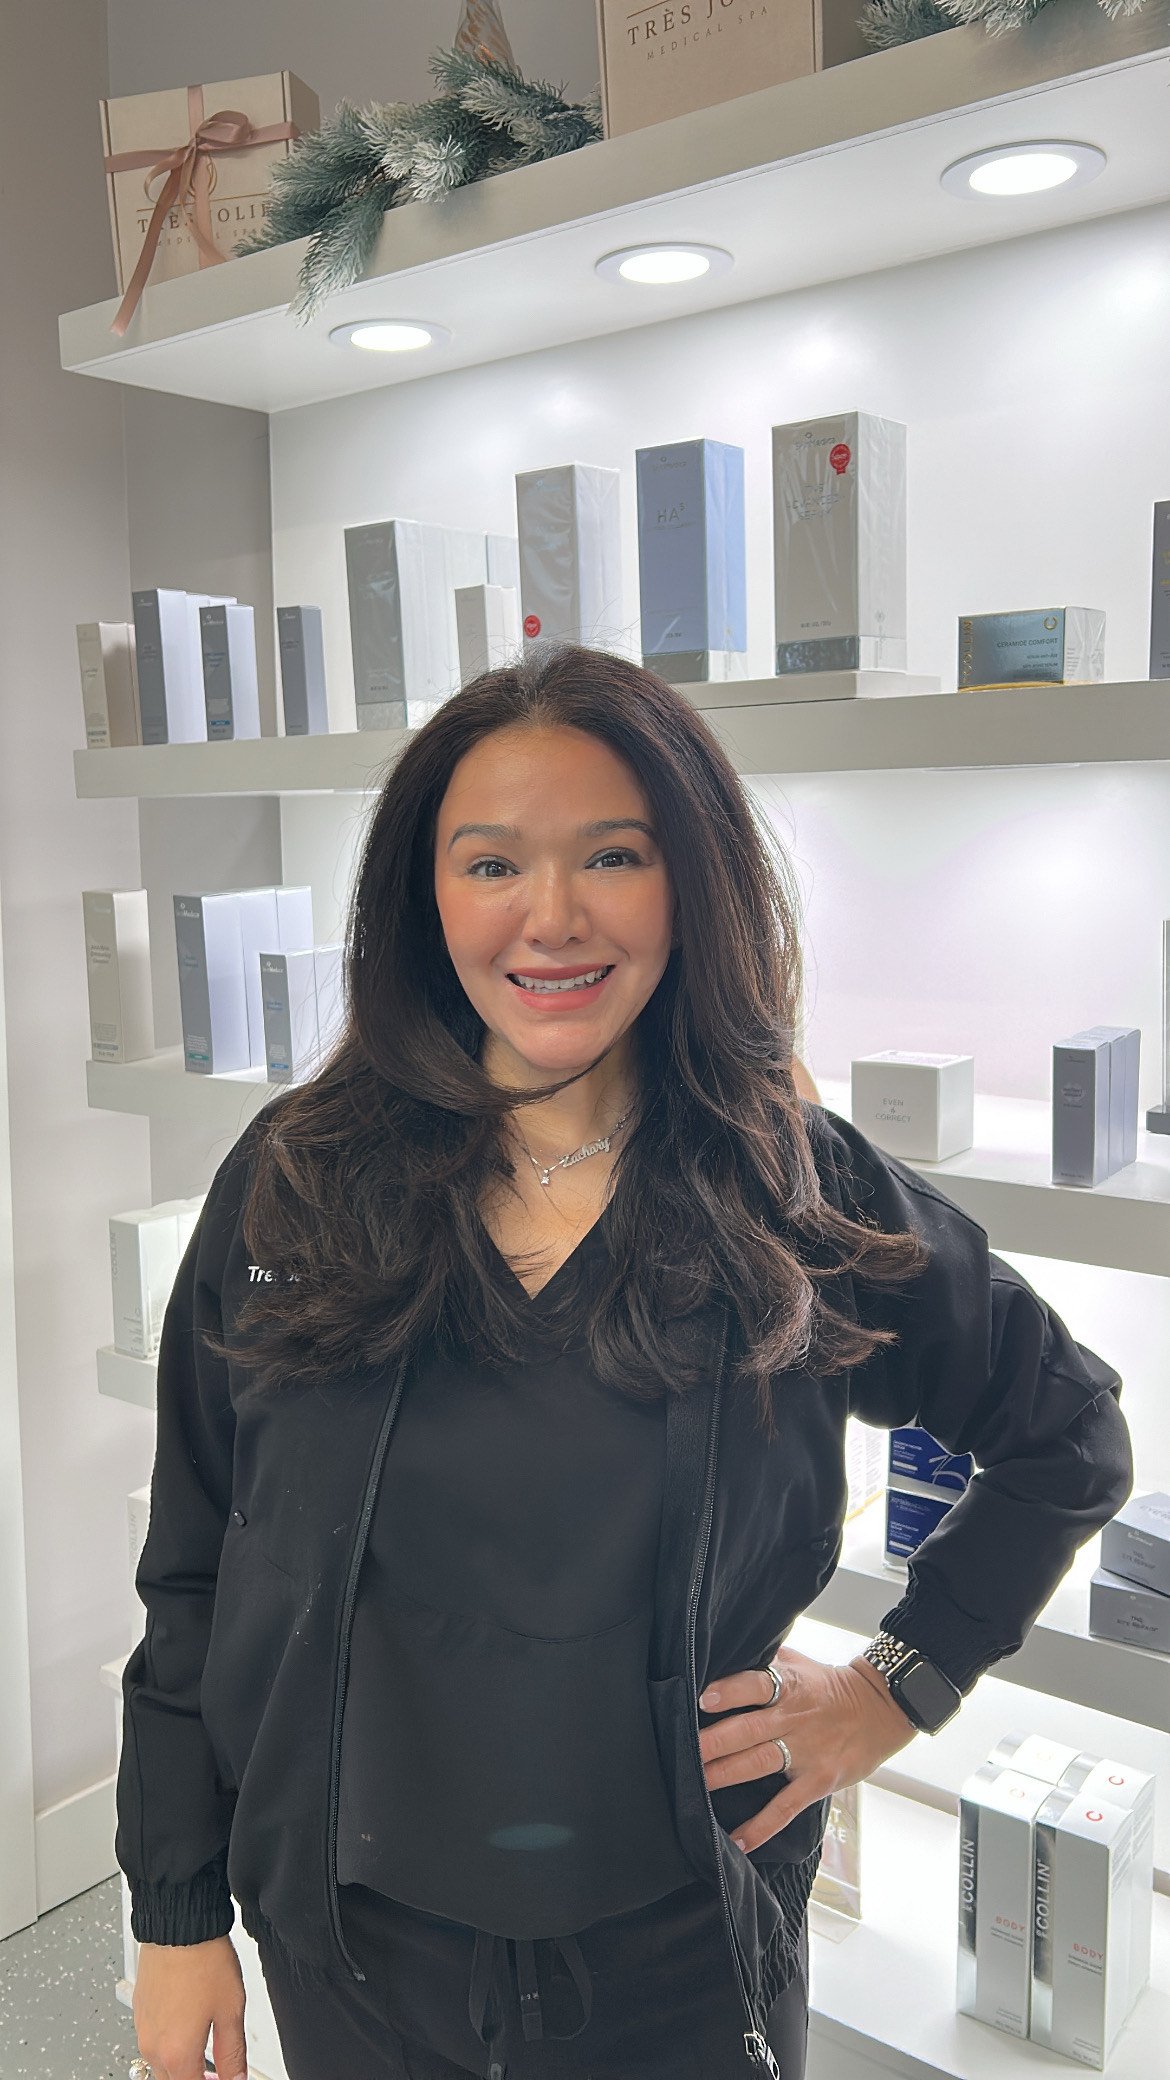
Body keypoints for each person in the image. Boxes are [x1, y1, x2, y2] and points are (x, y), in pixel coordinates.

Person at [120, 641, 1131, 2080]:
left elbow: (1068, 1436)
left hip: (682, 1969)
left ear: (691, 882)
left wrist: (892, 1688)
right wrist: (174, 1914)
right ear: (424, 897)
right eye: (491, 864)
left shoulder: (793, 1192)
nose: (551, 918)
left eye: (613, 855)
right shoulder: (299, 1181)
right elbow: (194, 1565)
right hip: (350, 1955)